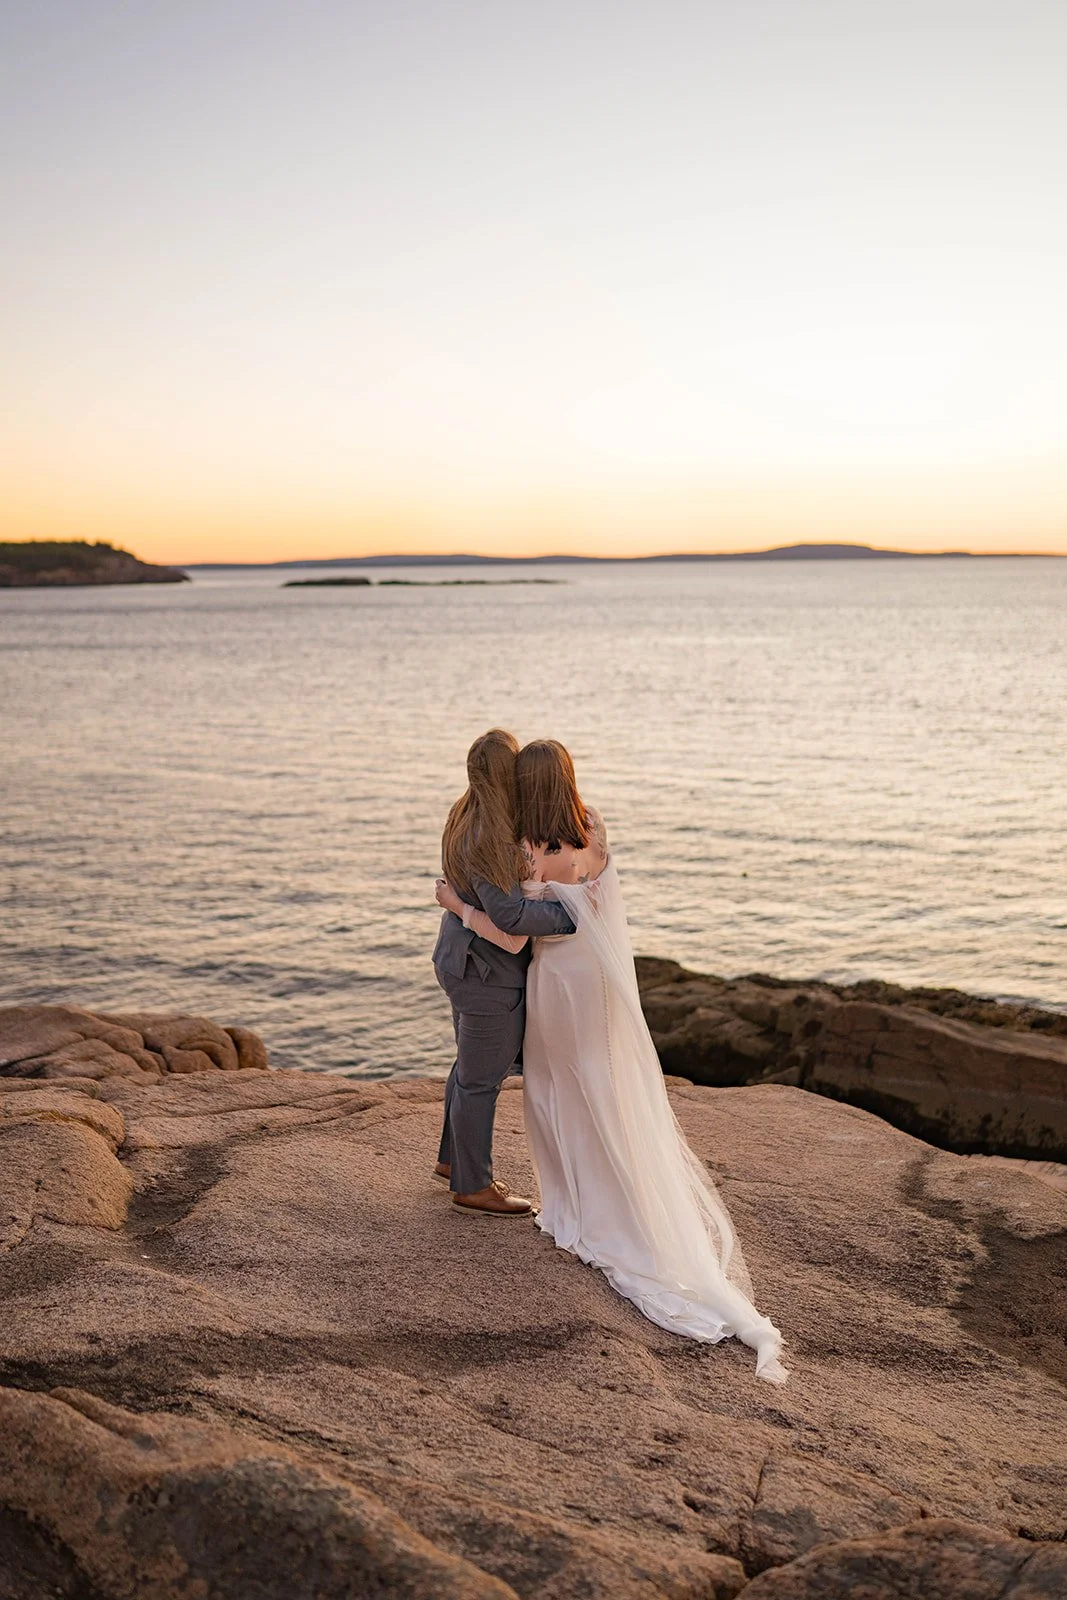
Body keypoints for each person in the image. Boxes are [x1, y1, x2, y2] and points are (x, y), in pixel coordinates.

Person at [436, 738, 788, 1383]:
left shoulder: (531, 849)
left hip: (558, 981)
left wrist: (457, 904)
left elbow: (518, 927)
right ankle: (578, 1182)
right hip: (593, 978)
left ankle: (568, 1197)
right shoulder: (591, 828)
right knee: (595, 1079)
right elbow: (585, 901)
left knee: (552, 1084)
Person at [432, 729, 576, 1217]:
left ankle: (453, 1162)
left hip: (456, 960)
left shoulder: (462, 813)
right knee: (480, 1080)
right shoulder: (490, 836)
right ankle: (473, 1187)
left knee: (466, 1066)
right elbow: (511, 918)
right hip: (487, 974)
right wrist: (575, 917)